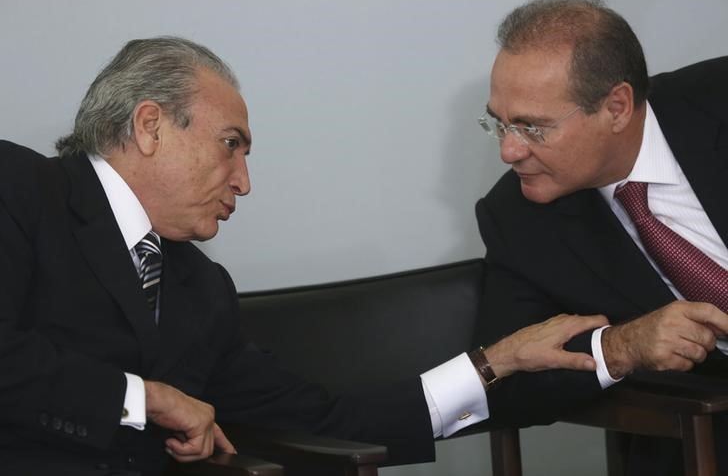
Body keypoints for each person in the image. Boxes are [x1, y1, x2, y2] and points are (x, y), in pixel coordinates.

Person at [0, 36, 606, 475]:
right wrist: (145, 398)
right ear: (152, 126)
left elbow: (321, 421)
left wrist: (491, 364)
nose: (243, 182)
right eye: (230, 145)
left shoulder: (200, 289)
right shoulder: (18, 188)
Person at [475, 0, 728, 473]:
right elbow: (507, 378)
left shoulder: (720, 95)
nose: (509, 151)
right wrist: (623, 345)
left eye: (532, 127)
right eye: (499, 123)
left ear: (616, 107)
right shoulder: (517, 218)